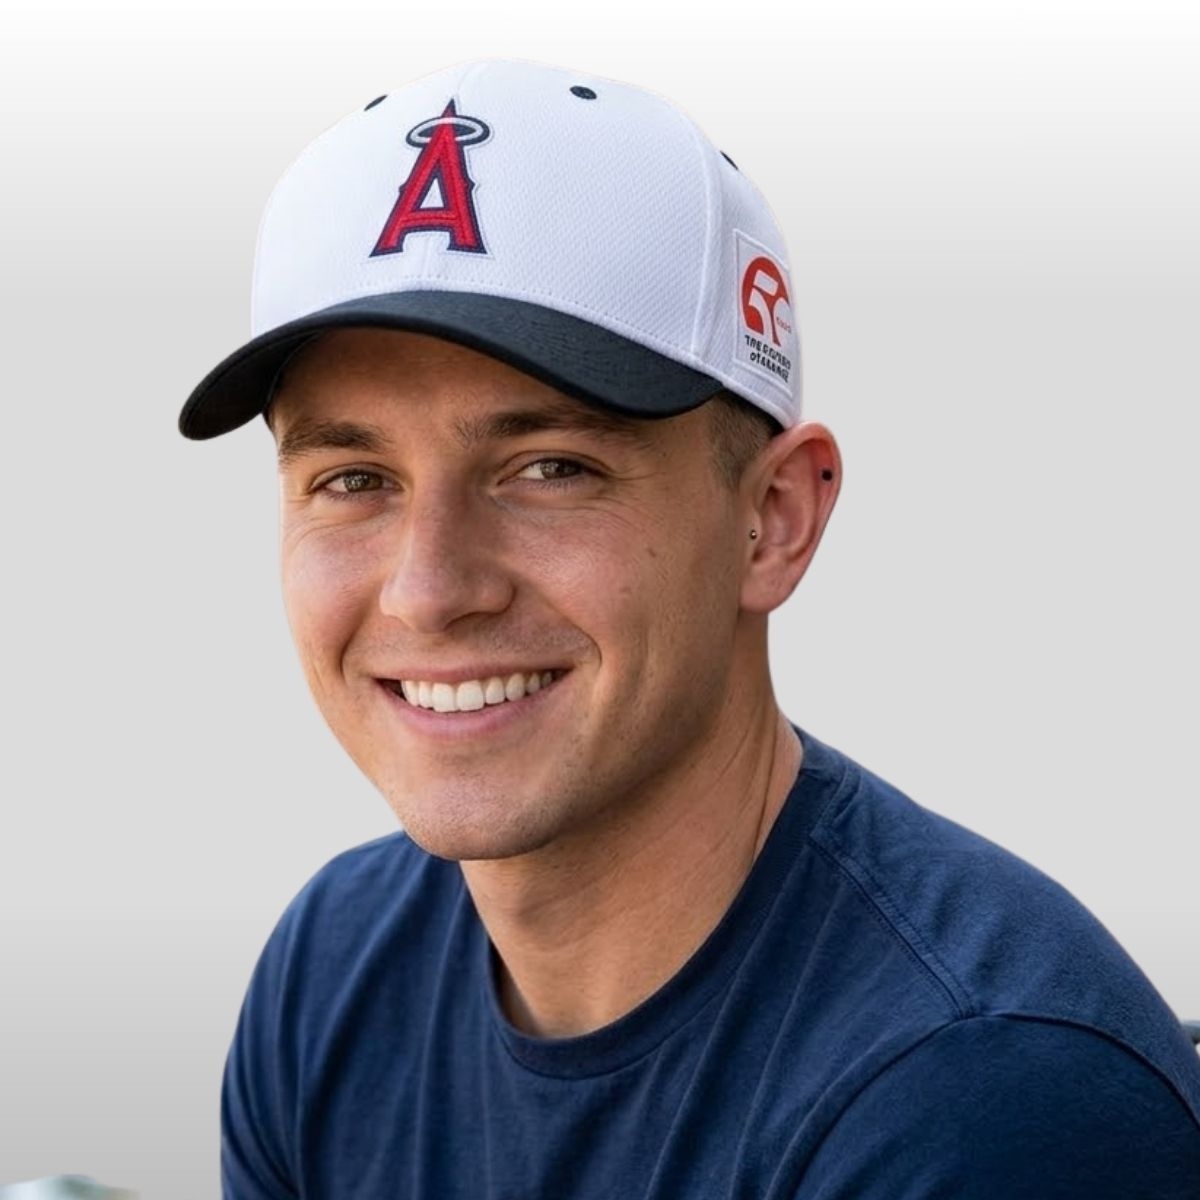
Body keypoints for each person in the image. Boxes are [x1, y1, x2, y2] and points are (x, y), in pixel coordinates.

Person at [180, 59, 1200, 1198]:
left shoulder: (981, 1095)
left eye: (550, 468)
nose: (428, 591)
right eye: (354, 480)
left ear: (774, 518)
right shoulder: (335, 972)